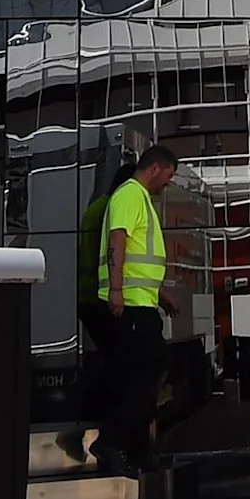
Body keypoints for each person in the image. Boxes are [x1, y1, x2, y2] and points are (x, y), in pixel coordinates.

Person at [94, 141, 179, 473]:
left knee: (139, 374)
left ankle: (137, 451)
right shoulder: (130, 195)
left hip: (141, 301)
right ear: (154, 168)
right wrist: (116, 289)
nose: (168, 183)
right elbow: (118, 240)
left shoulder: (140, 198)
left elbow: (139, 258)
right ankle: (112, 441)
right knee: (151, 366)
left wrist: (160, 294)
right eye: (168, 175)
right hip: (130, 304)